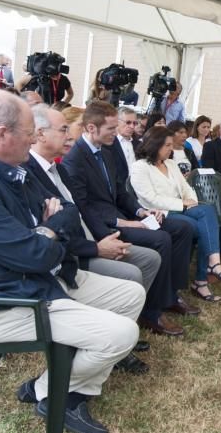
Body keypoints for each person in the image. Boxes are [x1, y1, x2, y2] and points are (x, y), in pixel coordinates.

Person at [0, 89, 146, 433]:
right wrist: (48, 231)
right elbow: (37, 252)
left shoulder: (3, 167)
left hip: (32, 279)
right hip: (3, 301)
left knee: (131, 295)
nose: (35, 140)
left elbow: (65, 215)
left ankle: (56, 387)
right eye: (30, 134)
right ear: (1, 134)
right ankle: (56, 393)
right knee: (122, 334)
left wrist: (46, 232)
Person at [26, 105, 158, 356]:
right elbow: (51, 233)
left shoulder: (59, 168)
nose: (69, 137)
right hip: (71, 257)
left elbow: (77, 214)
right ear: (40, 134)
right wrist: (97, 246)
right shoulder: (31, 174)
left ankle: (126, 328)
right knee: (131, 274)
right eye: (64, 130)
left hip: (88, 239)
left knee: (150, 258)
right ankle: (114, 339)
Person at [62, 100, 197, 336]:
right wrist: (121, 223)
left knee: (181, 229)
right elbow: (84, 207)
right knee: (161, 239)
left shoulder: (106, 151)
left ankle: (170, 294)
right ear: (91, 128)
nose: (117, 133)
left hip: (120, 216)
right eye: (111, 129)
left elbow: (120, 192)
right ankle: (152, 312)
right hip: (103, 227)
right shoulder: (75, 159)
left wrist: (140, 212)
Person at [130, 127, 221, 301]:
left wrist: (191, 201)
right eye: (167, 145)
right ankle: (202, 279)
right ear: (154, 145)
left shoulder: (170, 164)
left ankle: (212, 264)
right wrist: (182, 205)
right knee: (202, 228)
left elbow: (186, 188)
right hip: (159, 213)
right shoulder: (139, 167)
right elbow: (150, 199)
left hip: (183, 208)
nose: (171, 149)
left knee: (207, 211)